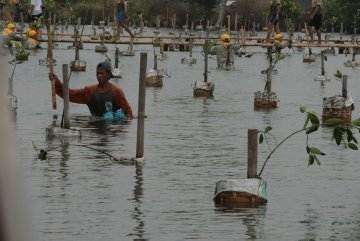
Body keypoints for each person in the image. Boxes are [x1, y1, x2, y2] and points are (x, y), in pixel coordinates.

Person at [49, 61, 133, 120]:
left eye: (102, 73)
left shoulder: (116, 92)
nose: (99, 76)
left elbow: (128, 113)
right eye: (97, 74)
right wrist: (57, 82)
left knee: (112, 116)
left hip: (112, 127)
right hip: (95, 126)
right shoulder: (90, 91)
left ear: (108, 75)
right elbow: (71, 95)